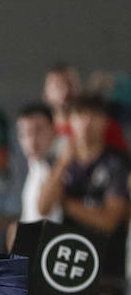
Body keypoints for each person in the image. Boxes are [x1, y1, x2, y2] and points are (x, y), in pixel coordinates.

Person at [38, 94, 130, 280]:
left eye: (94, 115)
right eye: (80, 114)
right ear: (70, 120)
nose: (87, 122)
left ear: (105, 121)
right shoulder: (57, 159)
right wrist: (63, 163)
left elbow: (109, 222)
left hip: (108, 255)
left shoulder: (117, 163)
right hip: (65, 253)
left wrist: (66, 204)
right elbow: (43, 207)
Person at [17, 104, 61, 223]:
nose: (32, 140)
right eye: (26, 133)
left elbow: (44, 210)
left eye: (39, 130)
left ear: (53, 130)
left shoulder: (66, 163)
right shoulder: (34, 164)